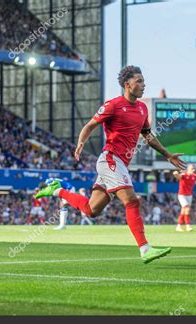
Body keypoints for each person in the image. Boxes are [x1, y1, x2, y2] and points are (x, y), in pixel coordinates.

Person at [35, 65, 186, 264]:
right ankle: (145, 249)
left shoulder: (142, 108)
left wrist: (167, 154)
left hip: (120, 164)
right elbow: (90, 125)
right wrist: (81, 143)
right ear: (127, 84)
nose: (143, 84)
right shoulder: (113, 105)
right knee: (131, 201)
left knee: (91, 210)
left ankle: (57, 191)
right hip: (110, 160)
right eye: (139, 81)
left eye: (143, 80)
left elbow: (147, 135)